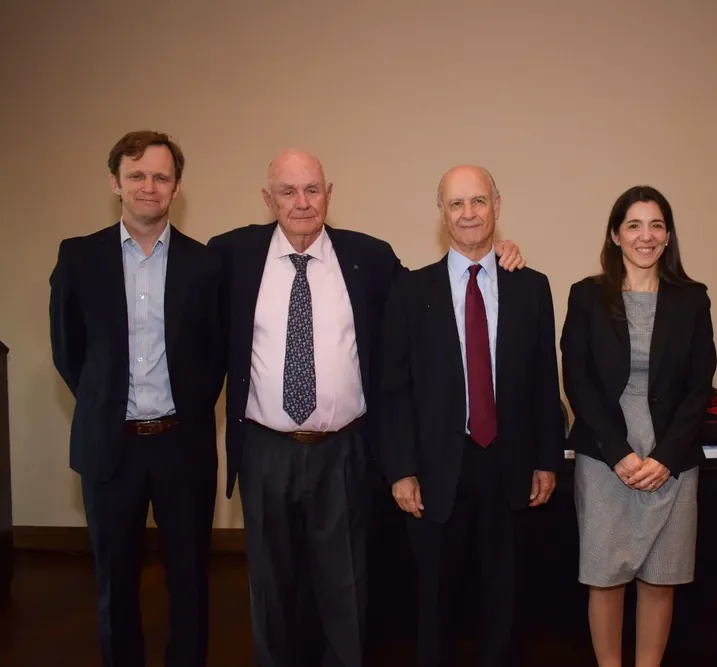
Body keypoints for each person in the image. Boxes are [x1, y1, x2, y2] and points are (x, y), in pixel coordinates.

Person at [206, 151, 524, 667]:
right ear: (268, 199)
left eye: (312, 189)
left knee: (345, 589)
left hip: (344, 450)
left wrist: (494, 255)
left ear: (329, 192)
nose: (302, 202)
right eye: (288, 192)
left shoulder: (369, 258)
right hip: (265, 450)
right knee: (270, 590)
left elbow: (438, 295)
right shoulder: (232, 256)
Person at [49, 130, 226, 667]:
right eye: (137, 175)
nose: (149, 186)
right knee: (114, 584)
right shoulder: (78, 258)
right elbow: (68, 352)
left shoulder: (205, 263)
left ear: (176, 188)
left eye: (161, 177)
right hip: (111, 448)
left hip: (182, 446)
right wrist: (107, 403)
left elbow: (216, 354)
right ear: (115, 183)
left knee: (191, 582)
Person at [378, 165, 564, 667]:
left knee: (504, 603)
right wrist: (400, 469)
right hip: (437, 470)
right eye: (456, 204)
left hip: (509, 465)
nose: (468, 213)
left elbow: (545, 381)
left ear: (497, 206)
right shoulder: (411, 292)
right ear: (441, 213)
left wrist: (547, 459)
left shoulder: (532, 288)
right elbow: (392, 391)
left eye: (478, 201)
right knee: (435, 603)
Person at [560, 185, 717, 667]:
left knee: (660, 577)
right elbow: (577, 379)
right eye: (634, 225)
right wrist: (619, 453)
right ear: (615, 234)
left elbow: (700, 384)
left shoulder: (692, 299)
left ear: (668, 236)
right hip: (607, 452)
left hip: (672, 455)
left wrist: (666, 456)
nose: (645, 236)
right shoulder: (586, 296)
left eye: (656, 225)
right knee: (604, 577)